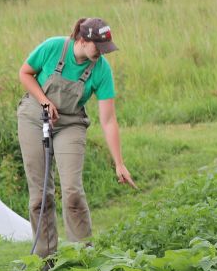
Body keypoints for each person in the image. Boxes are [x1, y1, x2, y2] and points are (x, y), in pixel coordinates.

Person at [17, 17, 135, 257]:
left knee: (72, 191)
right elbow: (25, 73)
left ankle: (83, 257)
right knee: (40, 195)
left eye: (106, 49)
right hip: (33, 117)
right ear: (81, 40)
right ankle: (45, 260)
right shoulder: (53, 47)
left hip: (70, 123)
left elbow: (108, 119)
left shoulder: (101, 69)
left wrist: (119, 163)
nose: (102, 54)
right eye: (98, 47)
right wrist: (45, 101)